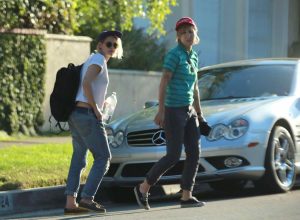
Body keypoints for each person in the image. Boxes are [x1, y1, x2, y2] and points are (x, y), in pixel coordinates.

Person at [134, 17, 209, 210]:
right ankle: (143, 187)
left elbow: (195, 88)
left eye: (190, 31)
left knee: (194, 152)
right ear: (178, 36)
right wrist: (161, 111)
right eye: (183, 32)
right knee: (173, 155)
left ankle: (186, 195)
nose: (187, 35)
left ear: (195, 33)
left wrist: (200, 115)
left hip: (189, 110)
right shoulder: (174, 55)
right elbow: (163, 82)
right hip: (173, 110)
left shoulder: (193, 56)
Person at [64, 30, 123, 215]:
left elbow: (88, 87)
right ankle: (87, 198)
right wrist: (96, 109)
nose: (112, 47)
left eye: (115, 44)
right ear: (99, 45)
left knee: (79, 158)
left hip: (77, 114)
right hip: (87, 114)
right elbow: (87, 84)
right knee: (103, 157)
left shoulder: (93, 59)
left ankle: (70, 203)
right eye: (109, 44)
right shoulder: (98, 60)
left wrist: (100, 103)